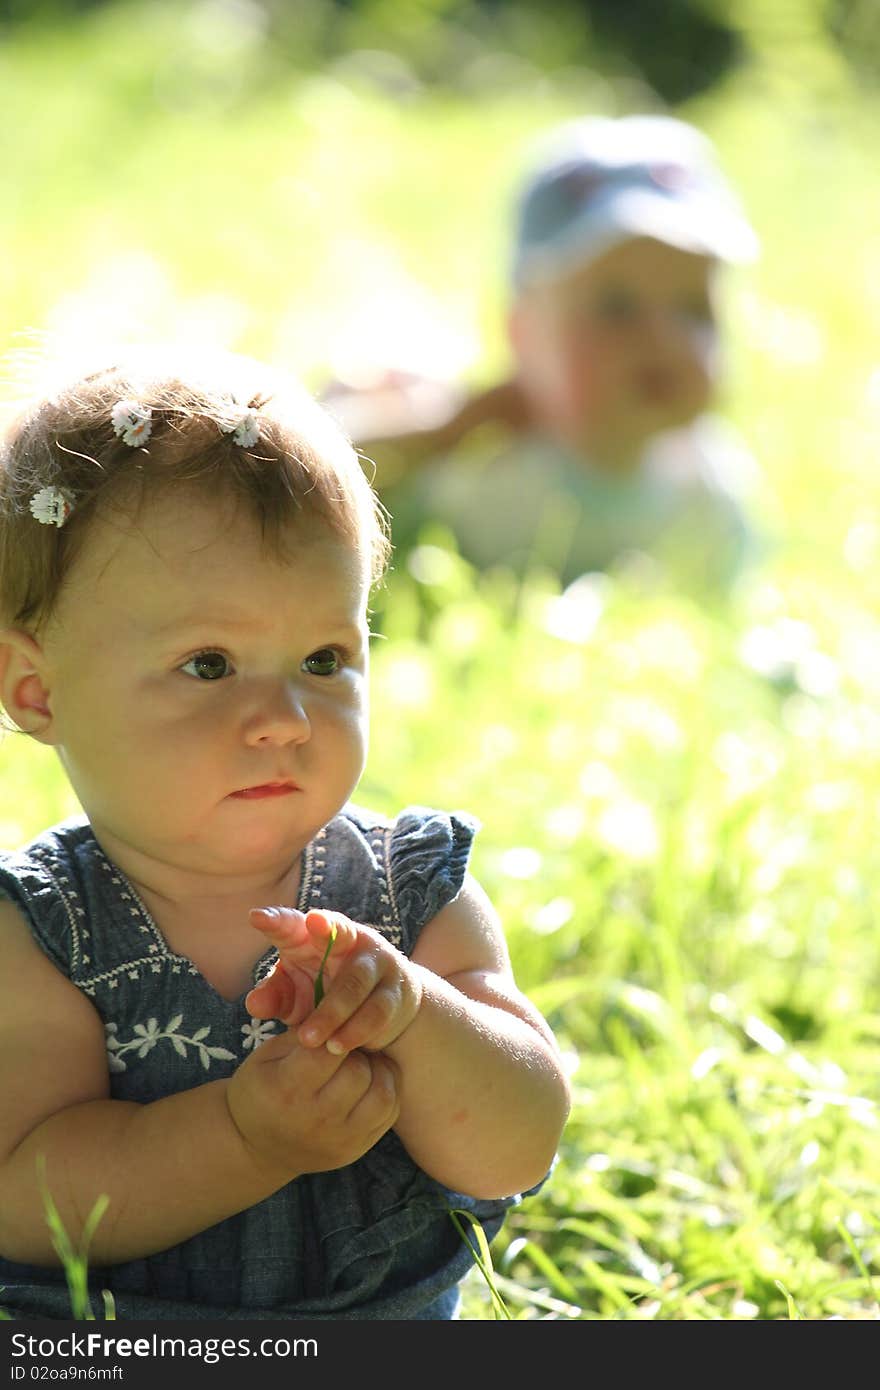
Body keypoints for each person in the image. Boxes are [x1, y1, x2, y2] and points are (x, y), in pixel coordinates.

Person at [0, 346, 571, 1321]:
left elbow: (520, 1142)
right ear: (38, 689)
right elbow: (26, 1198)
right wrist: (243, 1136)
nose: (286, 719)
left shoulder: (410, 891)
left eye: (323, 656)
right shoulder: (42, 932)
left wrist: (418, 1019)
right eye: (211, 663)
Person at [323, 113, 763, 595]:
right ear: (524, 336)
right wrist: (438, 433)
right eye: (616, 309)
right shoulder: (491, 458)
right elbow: (322, 485)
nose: (663, 339)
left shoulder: (708, 486)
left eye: (693, 310)